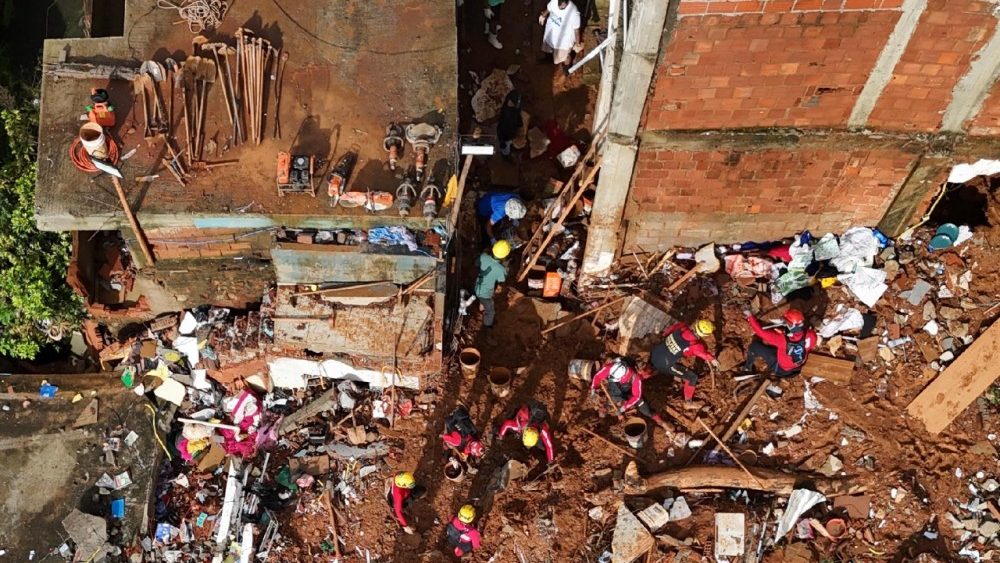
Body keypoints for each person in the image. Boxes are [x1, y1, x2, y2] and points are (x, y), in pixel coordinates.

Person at [650, 320, 720, 401]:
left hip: (655, 352)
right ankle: (688, 401)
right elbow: (703, 354)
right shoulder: (696, 346)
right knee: (692, 377)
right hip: (663, 365)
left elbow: (666, 332)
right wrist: (713, 360)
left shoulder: (682, 327)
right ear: (705, 335)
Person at [590, 357, 665, 425]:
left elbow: (636, 396)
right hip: (618, 392)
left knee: (645, 409)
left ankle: (658, 419)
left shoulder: (636, 379)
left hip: (631, 391)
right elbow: (597, 376)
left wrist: (623, 408)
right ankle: (608, 406)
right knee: (613, 396)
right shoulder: (611, 367)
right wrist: (593, 389)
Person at [743, 309, 817, 377]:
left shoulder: (782, 340)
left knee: (755, 346)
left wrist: (750, 316)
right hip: (797, 367)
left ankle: (747, 367)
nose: (785, 323)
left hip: (781, 369)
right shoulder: (812, 335)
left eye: (787, 322)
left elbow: (760, 332)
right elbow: (802, 341)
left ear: (791, 325)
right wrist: (785, 333)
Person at [538, 0, 583, 70]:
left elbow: (576, 29)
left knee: (565, 56)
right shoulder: (554, 1)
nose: (560, 7)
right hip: (550, 35)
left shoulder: (573, 12)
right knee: (548, 49)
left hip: (564, 42)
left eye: (562, 5)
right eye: (559, 4)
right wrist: (543, 15)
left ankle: (566, 68)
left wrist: (577, 44)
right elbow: (549, 8)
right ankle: (548, 59)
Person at [474, 241, 509, 328]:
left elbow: (476, 264)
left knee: (482, 299)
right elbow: (502, 280)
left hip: (477, 286)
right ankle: (487, 324)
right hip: (486, 294)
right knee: (490, 311)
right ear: (504, 256)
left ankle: (481, 308)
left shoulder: (483, 256)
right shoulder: (501, 269)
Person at [497, 90, 523, 158]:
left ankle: (506, 154)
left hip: (508, 136)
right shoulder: (509, 113)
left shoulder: (507, 110)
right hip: (507, 137)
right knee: (506, 149)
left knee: (507, 147)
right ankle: (506, 155)